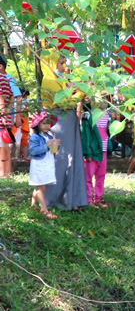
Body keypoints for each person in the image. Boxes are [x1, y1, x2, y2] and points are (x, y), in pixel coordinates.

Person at [41, 52, 88, 211]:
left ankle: (73, 199)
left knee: (73, 159)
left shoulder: (61, 79)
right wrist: (81, 92)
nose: (64, 66)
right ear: (51, 63)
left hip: (69, 122)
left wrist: (76, 86)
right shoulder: (49, 80)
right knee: (61, 160)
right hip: (59, 122)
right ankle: (55, 200)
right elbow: (66, 101)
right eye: (61, 63)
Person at [28, 112, 58, 219]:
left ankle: (33, 205)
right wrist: (46, 145)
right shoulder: (35, 137)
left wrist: (55, 145)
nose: (46, 126)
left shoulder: (49, 135)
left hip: (47, 163)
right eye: (43, 123)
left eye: (48, 123)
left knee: (41, 186)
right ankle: (44, 210)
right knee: (40, 186)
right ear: (38, 125)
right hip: (39, 164)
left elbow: (53, 150)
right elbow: (32, 151)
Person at [80, 101, 104, 207]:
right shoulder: (87, 116)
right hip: (92, 152)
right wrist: (87, 152)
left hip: (103, 151)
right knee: (88, 176)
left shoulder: (107, 115)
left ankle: (98, 199)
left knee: (101, 175)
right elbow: (86, 135)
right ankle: (89, 200)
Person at [0, 55, 12, 179]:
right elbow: (11, 98)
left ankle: (2, 174)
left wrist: (2, 114)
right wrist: (7, 114)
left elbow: (1, 98)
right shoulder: (7, 80)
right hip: (6, 117)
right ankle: (8, 172)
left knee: (1, 147)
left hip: (1, 117)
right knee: (5, 147)